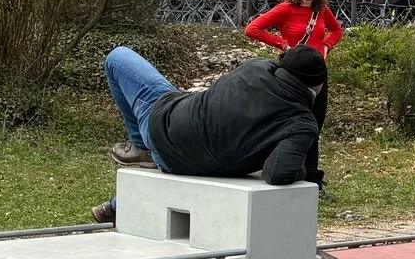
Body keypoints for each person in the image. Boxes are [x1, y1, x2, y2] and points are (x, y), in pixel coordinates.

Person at [95, 43, 326, 222]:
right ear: (318, 86)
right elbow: (278, 173)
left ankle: (140, 146)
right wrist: (298, 165)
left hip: (164, 121)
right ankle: (118, 200)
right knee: (201, 141)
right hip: (180, 162)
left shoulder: (256, 68)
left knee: (117, 57)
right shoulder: (302, 124)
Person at [244, 0, 343, 125]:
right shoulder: (285, 9)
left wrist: (327, 46)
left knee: (316, 121)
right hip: (294, 74)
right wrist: (283, 45)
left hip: (318, 73)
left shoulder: (322, 10)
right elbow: (252, 29)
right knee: (293, 122)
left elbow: (337, 30)